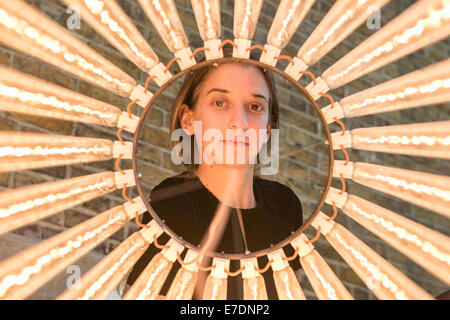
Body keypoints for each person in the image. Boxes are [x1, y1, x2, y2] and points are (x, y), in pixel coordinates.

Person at [125, 48, 303, 300]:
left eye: (255, 106)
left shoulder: (285, 204)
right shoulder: (173, 201)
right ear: (188, 120)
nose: (239, 122)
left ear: (268, 127)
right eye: (220, 102)